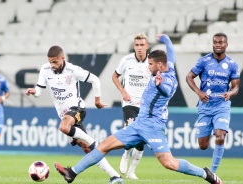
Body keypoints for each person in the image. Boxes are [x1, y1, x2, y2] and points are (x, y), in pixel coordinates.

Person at [54, 34, 223, 184]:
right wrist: (166, 40)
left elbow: (165, 89)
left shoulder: (167, 80)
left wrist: (159, 85)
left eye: (150, 64)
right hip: (139, 124)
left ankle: (205, 174)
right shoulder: (168, 65)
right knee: (104, 145)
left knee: (169, 163)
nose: (148, 67)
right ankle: (72, 172)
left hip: (153, 127)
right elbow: (170, 51)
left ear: (159, 65)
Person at [25, 46, 123, 184]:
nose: (53, 65)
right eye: (50, 62)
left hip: (77, 108)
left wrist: (97, 100)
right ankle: (115, 176)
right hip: (64, 114)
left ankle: (91, 140)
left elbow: (95, 79)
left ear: (62, 58)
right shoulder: (45, 69)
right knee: (89, 150)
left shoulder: (73, 70)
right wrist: (33, 92)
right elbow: (39, 91)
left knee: (64, 127)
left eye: (55, 62)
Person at [186, 32, 240, 173]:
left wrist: (230, 93)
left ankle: (213, 173)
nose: (218, 45)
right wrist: (199, 92)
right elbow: (189, 77)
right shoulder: (203, 61)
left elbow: (236, 87)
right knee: (203, 145)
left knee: (220, 135)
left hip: (222, 105)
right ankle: (208, 131)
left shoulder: (232, 64)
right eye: (215, 42)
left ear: (226, 44)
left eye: (221, 42)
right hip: (205, 106)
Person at [112, 34, 150, 179]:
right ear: (134, 46)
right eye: (137, 45)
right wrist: (123, 91)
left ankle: (131, 171)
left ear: (147, 46)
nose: (139, 48)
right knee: (131, 128)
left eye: (142, 45)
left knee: (141, 140)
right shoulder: (126, 60)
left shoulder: (152, 62)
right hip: (129, 103)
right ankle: (126, 154)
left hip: (145, 106)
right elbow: (114, 76)